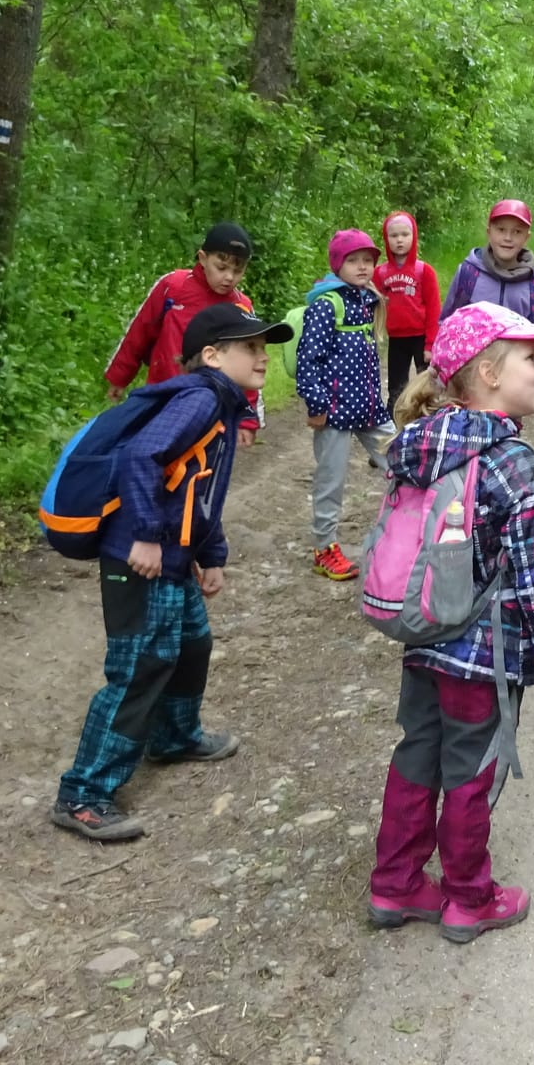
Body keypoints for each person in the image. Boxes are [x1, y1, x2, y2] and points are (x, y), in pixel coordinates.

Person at [367, 303, 534, 942]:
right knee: (469, 768)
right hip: (483, 655)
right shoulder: (510, 460)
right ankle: (468, 897)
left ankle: (395, 883)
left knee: (417, 753)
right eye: (532, 358)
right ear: (487, 372)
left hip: (422, 636)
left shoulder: (418, 444)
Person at [52, 304, 293, 842]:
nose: (262, 357)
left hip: (174, 556)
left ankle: (175, 735)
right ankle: (83, 793)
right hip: (139, 556)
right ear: (211, 355)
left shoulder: (224, 406)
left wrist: (213, 554)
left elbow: (200, 490)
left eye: (264, 348)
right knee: (141, 665)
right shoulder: (201, 398)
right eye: (249, 347)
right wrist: (143, 535)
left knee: (191, 645)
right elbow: (142, 456)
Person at [103, 221, 262, 443]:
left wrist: (247, 419)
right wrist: (120, 378)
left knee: (197, 470)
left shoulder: (241, 307)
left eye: (238, 270)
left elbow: (249, 364)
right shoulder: (173, 287)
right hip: (162, 399)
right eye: (221, 267)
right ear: (203, 258)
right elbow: (139, 332)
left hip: (211, 412)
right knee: (151, 462)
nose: (229, 277)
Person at [299, 228, 394, 581]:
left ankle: (411, 530)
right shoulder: (327, 305)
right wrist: (316, 405)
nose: (362, 267)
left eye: (367, 261)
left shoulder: (366, 300)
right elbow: (309, 360)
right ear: (337, 265)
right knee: (331, 480)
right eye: (353, 261)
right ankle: (325, 548)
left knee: (402, 458)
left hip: (369, 408)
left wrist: (379, 403)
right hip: (333, 414)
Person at [373, 210, 443, 416]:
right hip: (396, 338)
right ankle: (395, 415)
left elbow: (433, 309)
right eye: (394, 236)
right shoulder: (380, 273)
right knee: (396, 382)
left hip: (420, 337)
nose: (400, 240)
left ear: (414, 236)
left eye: (405, 234)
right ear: (387, 240)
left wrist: (431, 344)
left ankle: (428, 413)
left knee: (426, 379)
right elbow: (372, 305)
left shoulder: (424, 271)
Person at [440, 198, 534, 325]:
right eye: (501, 230)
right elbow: (447, 324)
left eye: (517, 232)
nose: (508, 238)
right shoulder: (468, 274)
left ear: (526, 237)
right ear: (489, 232)